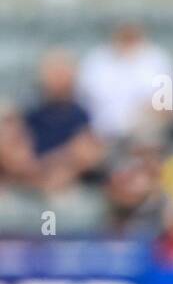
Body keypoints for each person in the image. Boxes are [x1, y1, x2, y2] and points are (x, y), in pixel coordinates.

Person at [0, 50, 105, 194]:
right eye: (53, 74)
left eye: (62, 74)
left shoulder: (86, 115)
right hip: (30, 178)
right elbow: (18, 158)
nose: (58, 80)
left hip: (74, 182)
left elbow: (88, 154)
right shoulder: (29, 113)